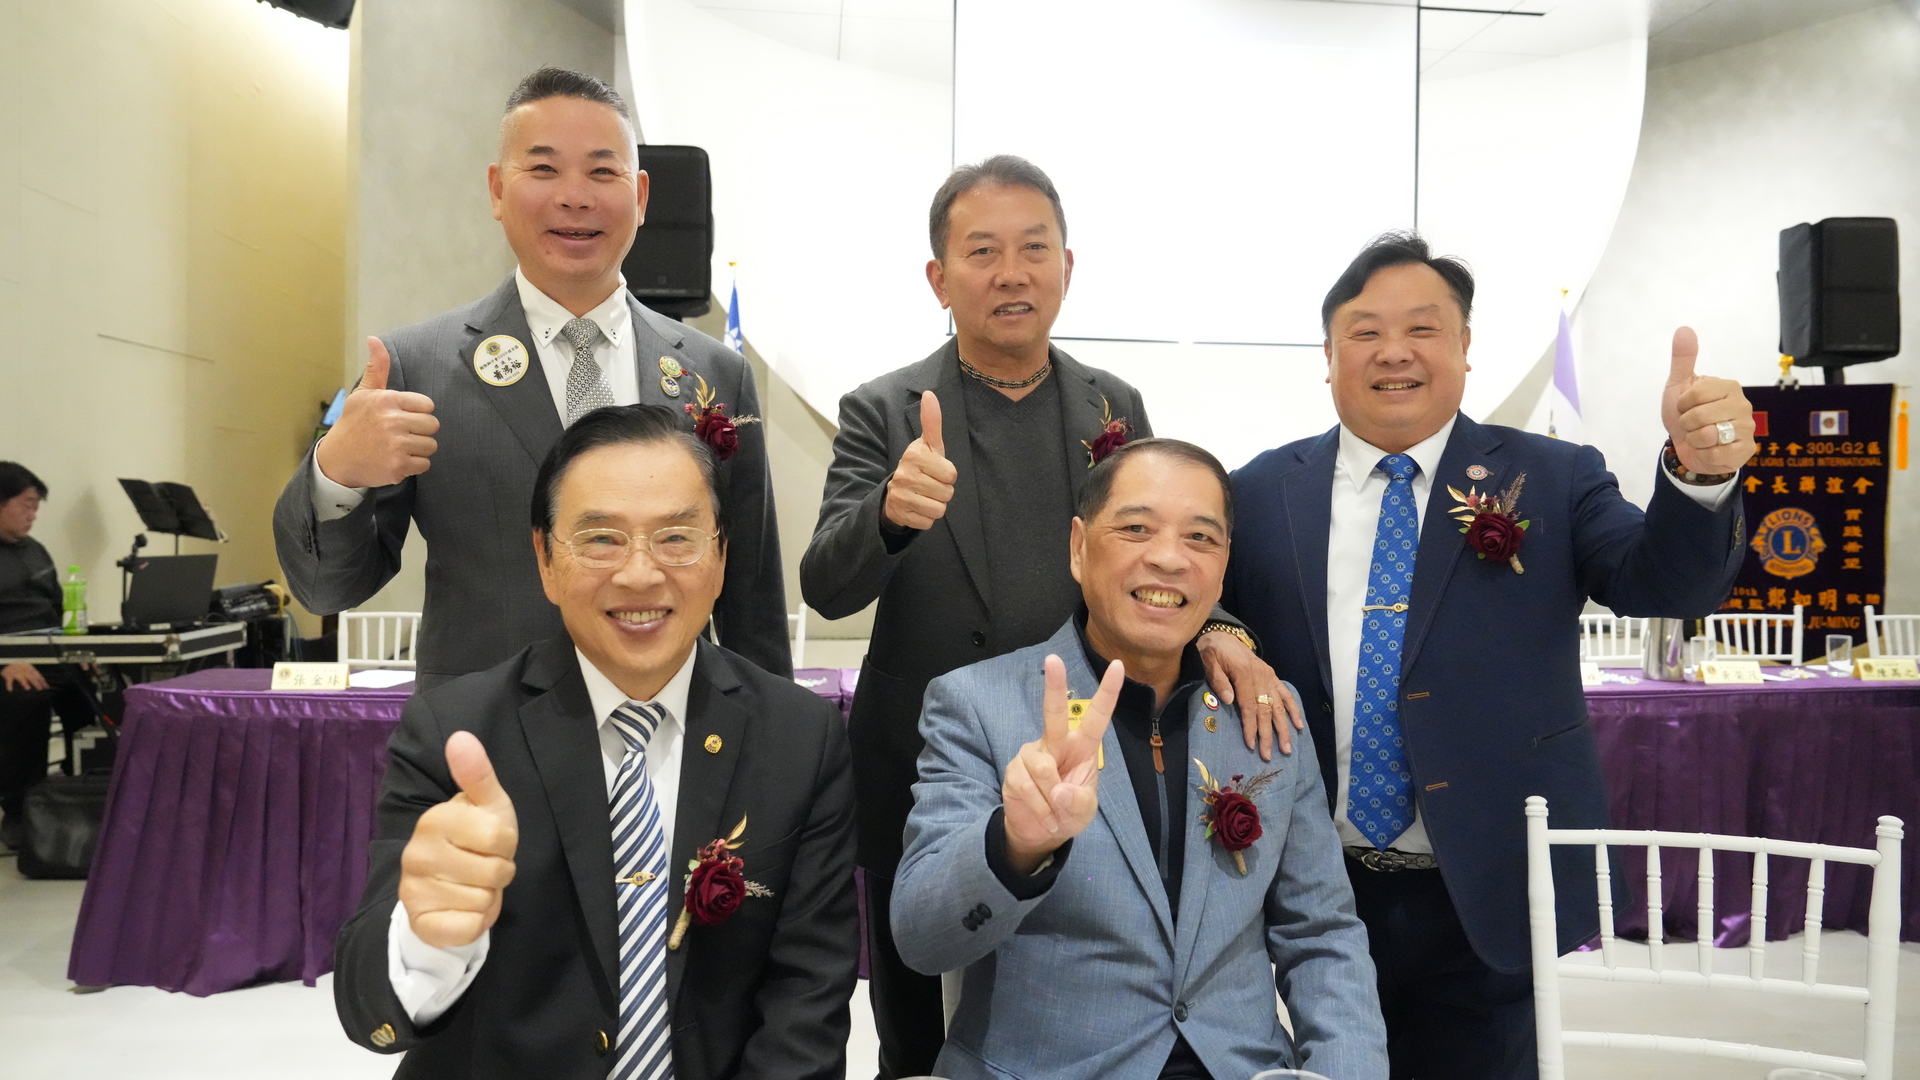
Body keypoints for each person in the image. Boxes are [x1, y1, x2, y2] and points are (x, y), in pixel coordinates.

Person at [800, 155, 1301, 1077]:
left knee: (1070, 994)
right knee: (914, 1025)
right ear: (938, 277)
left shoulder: (1113, 405)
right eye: (982, 251)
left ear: (1067, 267)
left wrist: (1224, 629)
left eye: (1034, 249)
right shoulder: (882, 409)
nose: (1011, 273)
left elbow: (1155, 550)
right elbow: (825, 586)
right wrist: (888, 517)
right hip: (927, 765)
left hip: (1085, 758)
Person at [1223, 232, 1753, 1079]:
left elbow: (1662, 583)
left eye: (1422, 328)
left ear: (1466, 346)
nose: (1394, 351)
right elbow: (1198, 606)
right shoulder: (1257, 491)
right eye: (1365, 331)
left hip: (1490, 874)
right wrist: (1217, 631)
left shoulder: (1554, 476)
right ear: (1328, 356)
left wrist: (1699, 480)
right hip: (1312, 889)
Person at [331, 405, 857, 1078]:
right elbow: (368, 1011)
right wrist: (428, 937)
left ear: (722, 556)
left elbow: (806, 1005)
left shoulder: (800, 738)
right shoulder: (456, 734)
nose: (639, 575)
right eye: (601, 539)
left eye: (676, 537)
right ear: (546, 560)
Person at [274, 67, 789, 690]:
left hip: (673, 726)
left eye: (602, 172)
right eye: (544, 169)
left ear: (641, 196)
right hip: (483, 732)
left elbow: (752, 604)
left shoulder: (716, 374)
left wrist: (770, 736)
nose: (575, 196)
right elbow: (328, 588)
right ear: (497, 190)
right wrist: (337, 473)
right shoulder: (417, 368)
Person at [892, 438, 1386, 1080]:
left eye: (1200, 538)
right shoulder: (980, 704)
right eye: (1135, 529)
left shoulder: (1262, 711)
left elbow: (1322, 933)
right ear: (1079, 547)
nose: (1169, 558)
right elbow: (923, 939)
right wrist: (1014, 845)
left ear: (1224, 566)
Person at [0, 463, 94, 851]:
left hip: (50, 654)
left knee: (97, 688)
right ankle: (20, 811)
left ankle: (82, 789)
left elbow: (58, 610)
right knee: (27, 697)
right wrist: (4, 663)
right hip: (9, 663)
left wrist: (81, 650)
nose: (33, 515)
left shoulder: (35, 550)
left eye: (36, 507)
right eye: (27, 505)